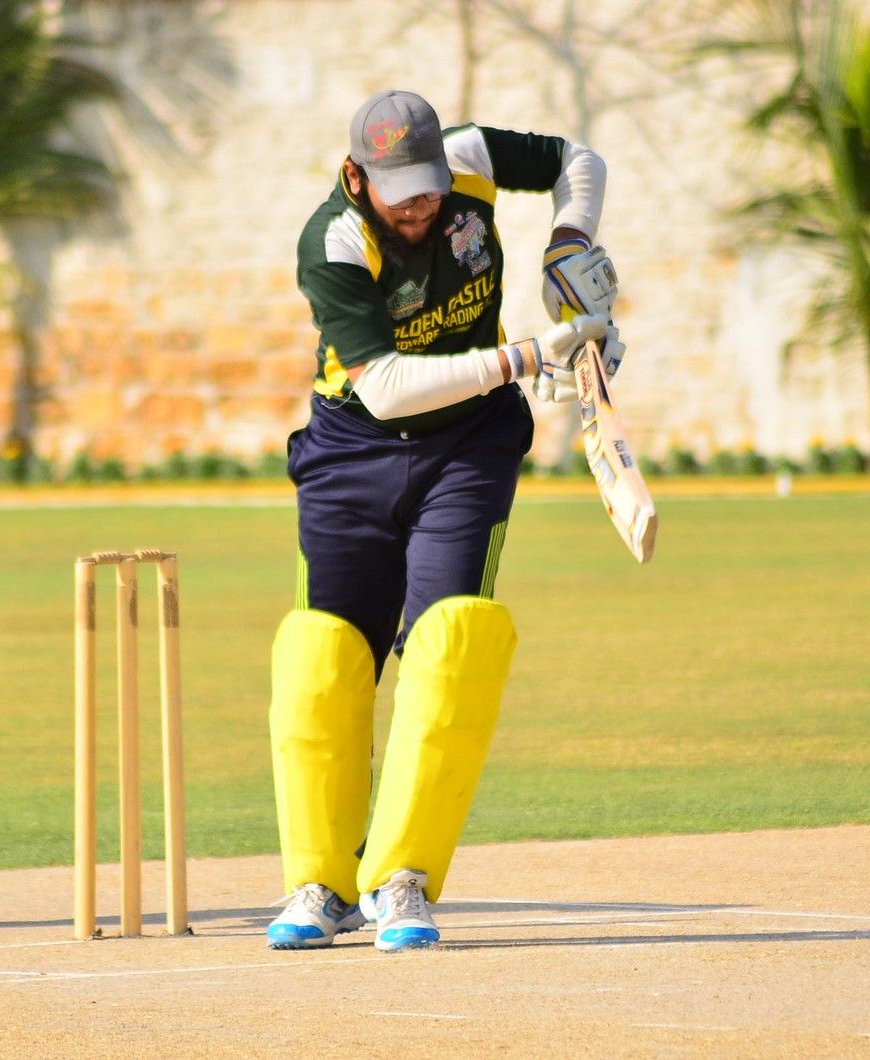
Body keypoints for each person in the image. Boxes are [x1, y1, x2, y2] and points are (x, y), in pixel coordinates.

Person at [267, 90, 624, 952]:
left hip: (468, 448)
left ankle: (403, 879)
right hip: (352, 449)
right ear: (357, 177)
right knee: (326, 656)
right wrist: (530, 355)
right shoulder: (334, 241)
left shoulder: (471, 157)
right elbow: (387, 389)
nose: (421, 207)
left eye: (428, 188)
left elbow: (581, 160)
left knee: (447, 644)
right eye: (401, 194)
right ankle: (321, 881)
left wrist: (570, 238)